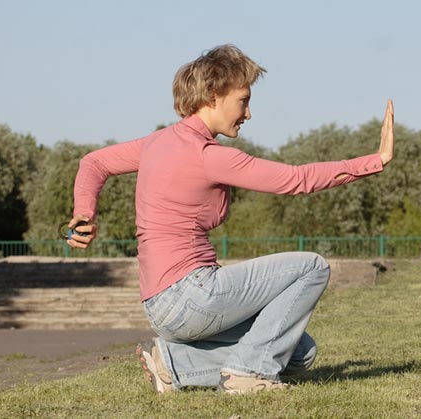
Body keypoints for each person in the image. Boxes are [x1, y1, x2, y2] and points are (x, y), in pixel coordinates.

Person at [64, 44, 394, 395]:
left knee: (299, 352)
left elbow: (93, 162)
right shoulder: (207, 156)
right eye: (243, 100)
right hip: (191, 295)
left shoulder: (156, 142)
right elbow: (297, 179)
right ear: (213, 96)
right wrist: (376, 159)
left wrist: (83, 212)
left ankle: (173, 364)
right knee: (312, 267)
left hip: (159, 305)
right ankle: (248, 374)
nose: (248, 114)